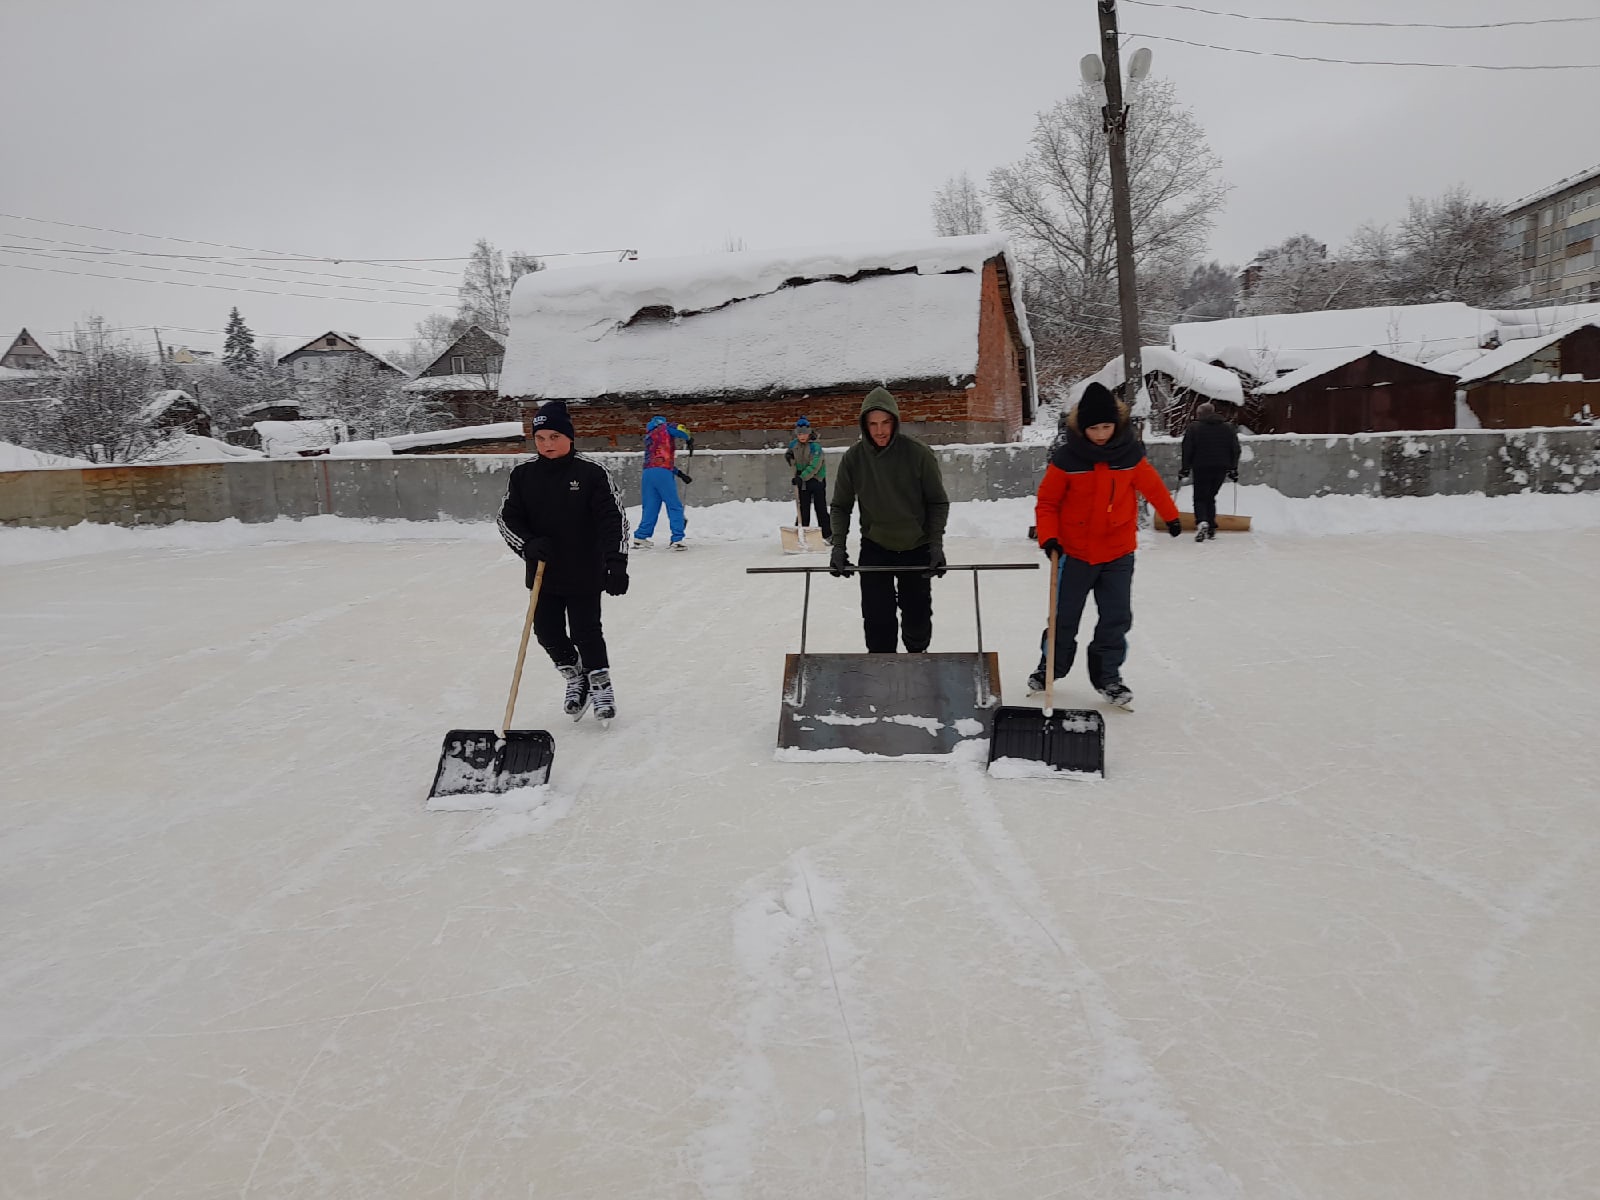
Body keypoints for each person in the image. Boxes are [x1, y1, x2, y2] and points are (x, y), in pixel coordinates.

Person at [1031, 382, 1181, 710]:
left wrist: (1170, 515)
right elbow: (1047, 503)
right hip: (1075, 553)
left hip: (1118, 554)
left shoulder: (1130, 455)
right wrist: (1049, 537)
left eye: (1106, 427)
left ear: (1117, 424)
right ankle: (1050, 667)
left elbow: (1153, 486)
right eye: (1093, 428)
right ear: (1082, 428)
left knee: (1116, 617)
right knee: (1064, 618)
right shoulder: (1067, 459)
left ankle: (1108, 677)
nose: (1100, 434)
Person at [497, 401, 630, 722]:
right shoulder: (523, 475)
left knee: (586, 631)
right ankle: (575, 675)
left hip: (584, 570)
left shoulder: (591, 473)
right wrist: (528, 544)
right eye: (540, 438)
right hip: (544, 573)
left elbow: (613, 520)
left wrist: (617, 562)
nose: (547, 444)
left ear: (570, 437)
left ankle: (600, 684)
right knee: (546, 632)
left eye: (554, 436)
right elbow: (506, 519)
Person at [828, 387, 950, 653]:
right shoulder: (854, 459)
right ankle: (882, 669)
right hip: (876, 547)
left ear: (895, 421)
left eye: (885, 423)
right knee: (877, 621)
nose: (880, 431)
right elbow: (840, 506)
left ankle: (917, 662)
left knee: (917, 619)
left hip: (915, 546)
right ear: (864, 425)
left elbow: (937, 502)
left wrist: (935, 545)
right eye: (873, 424)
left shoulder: (918, 454)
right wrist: (838, 547)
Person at [1179, 401, 1242, 542]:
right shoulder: (1228, 428)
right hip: (1221, 468)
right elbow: (1235, 449)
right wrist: (1233, 468)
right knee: (1210, 496)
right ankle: (1211, 527)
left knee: (1200, 497)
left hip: (1201, 467)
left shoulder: (1194, 428)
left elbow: (1187, 449)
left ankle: (1202, 522)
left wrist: (1185, 468)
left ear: (1200, 414)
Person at [631, 415, 692, 550]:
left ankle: (640, 537)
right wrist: (689, 438)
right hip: (663, 473)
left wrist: (680, 474)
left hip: (648, 473)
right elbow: (682, 430)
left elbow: (658, 459)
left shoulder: (649, 436)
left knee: (650, 506)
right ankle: (677, 538)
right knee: (674, 505)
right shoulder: (666, 427)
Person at [783, 417, 831, 539]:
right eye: (799, 434)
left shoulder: (815, 447)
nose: (802, 436)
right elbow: (792, 459)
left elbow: (815, 466)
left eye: (804, 434)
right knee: (803, 508)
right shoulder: (794, 445)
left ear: (809, 433)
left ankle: (828, 534)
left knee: (820, 508)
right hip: (802, 481)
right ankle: (801, 534)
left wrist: (802, 477)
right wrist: (789, 458)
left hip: (816, 480)